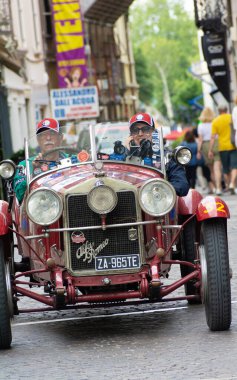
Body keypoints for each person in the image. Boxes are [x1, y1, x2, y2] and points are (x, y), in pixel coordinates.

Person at [127, 113, 190, 197]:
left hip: (158, 203)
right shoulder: (122, 156)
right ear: (131, 134)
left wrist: (155, 187)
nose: (140, 133)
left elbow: (182, 186)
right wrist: (126, 151)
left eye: (145, 129)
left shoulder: (166, 156)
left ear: (153, 132)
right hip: (128, 203)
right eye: (135, 130)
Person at [13, 118, 64, 203]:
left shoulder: (73, 160)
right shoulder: (25, 165)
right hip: (41, 210)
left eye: (52, 133)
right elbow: (20, 196)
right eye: (43, 134)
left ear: (60, 138)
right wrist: (34, 173)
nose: (48, 138)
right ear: (38, 139)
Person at [208, 105, 237, 194]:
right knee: (235, 166)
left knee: (226, 168)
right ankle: (232, 184)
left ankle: (229, 185)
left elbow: (213, 137)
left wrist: (210, 149)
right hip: (233, 145)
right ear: (227, 109)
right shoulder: (231, 118)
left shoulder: (215, 121)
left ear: (219, 111)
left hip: (222, 147)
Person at [197, 107, 222, 195]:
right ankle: (219, 188)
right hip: (216, 144)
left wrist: (198, 151)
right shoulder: (214, 123)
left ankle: (215, 187)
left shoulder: (200, 125)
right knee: (217, 168)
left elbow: (200, 140)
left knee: (211, 170)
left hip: (205, 146)